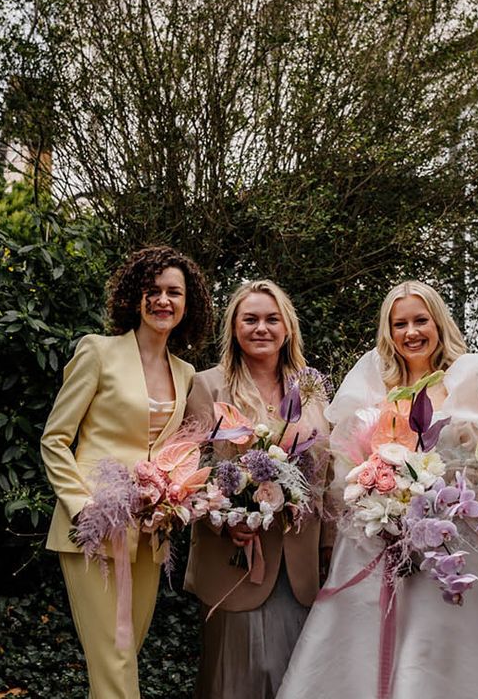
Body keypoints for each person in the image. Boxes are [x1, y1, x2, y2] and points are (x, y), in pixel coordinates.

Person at [276, 280, 478, 699]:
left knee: (442, 648)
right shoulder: (370, 385)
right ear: (388, 331)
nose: (411, 332)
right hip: (377, 540)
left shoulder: (472, 377)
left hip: (453, 539)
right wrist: (380, 502)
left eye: (421, 321)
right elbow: (345, 467)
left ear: (438, 323)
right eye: (400, 324)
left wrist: (441, 497)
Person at [41, 246, 213, 699]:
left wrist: (173, 500)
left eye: (173, 292)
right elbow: (55, 440)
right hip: (94, 530)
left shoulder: (186, 372)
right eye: (152, 290)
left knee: (125, 653)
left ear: (186, 303)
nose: (163, 300)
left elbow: (177, 452)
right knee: (114, 657)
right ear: (134, 297)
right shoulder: (97, 352)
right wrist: (83, 509)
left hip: (150, 534)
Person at [183, 280, 333, 699]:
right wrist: (225, 520)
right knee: (240, 674)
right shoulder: (207, 386)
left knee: (296, 676)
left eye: (272, 319)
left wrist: (329, 548)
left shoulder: (311, 390)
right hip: (235, 558)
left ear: (287, 329)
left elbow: (328, 473)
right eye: (250, 319)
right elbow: (192, 468)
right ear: (234, 327)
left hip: (300, 562)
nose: (261, 328)